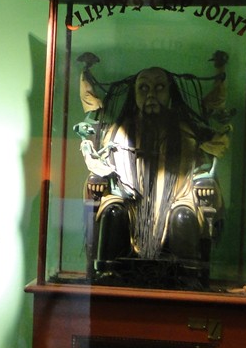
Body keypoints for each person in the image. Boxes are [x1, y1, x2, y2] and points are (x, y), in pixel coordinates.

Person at [80, 62, 226, 283]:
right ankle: (109, 274)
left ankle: (189, 277)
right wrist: (96, 179)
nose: (151, 95)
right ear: (134, 93)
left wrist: (205, 182)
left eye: (159, 88)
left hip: (178, 197)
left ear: (169, 93)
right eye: (143, 88)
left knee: (184, 217)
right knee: (113, 213)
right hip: (128, 201)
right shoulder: (117, 133)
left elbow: (202, 168)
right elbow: (102, 166)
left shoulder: (187, 134)